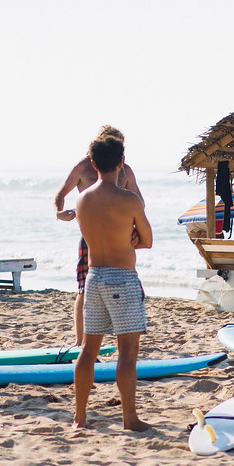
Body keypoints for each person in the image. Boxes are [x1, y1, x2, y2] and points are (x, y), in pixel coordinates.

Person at [70, 132, 153, 431]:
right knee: (127, 352)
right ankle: (129, 418)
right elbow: (147, 240)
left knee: (88, 350)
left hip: (94, 277)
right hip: (122, 277)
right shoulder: (129, 199)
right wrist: (132, 238)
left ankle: (79, 417)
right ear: (121, 162)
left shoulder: (82, 200)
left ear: (93, 163)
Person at [54, 126, 143, 341]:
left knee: (127, 287)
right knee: (85, 289)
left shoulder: (125, 170)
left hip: (120, 237)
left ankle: (122, 338)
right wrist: (59, 212)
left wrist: (137, 232)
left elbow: (139, 202)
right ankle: (80, 342)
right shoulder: (83, 168)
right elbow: (61, 193)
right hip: (91, 238)